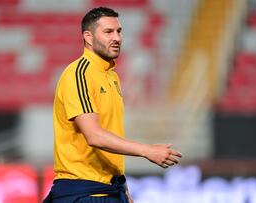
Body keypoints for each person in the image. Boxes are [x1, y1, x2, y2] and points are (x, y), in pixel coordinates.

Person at [44, 7, 182, 203]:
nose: (117, 37)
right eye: (108, 32)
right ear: (88, 37)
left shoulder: (112, 76)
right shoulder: (79, 74)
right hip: (84, 192)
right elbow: (94, 136)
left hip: (109, 190)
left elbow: (109, 133)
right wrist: (147, 150)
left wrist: (122, 186)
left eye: (119, 31)